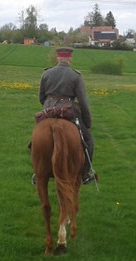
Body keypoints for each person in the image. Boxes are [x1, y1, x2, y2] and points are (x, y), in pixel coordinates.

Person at [35, 47, 96, 184]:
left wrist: (49, 106)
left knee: (35, 140)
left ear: (58, 58)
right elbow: (83, 102)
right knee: (89, 140)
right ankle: (84, 175)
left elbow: (41, 97)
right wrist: (87, 122)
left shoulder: (46, 73)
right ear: (70, 59)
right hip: (68, 110)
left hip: (48, 110)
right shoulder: (75, 76)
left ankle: (37, 172)